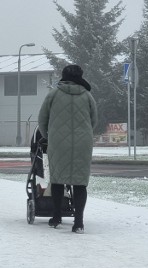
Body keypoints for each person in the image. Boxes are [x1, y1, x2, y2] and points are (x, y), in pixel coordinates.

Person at [38, 64, 98, 233]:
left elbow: (42, 119)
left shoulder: (53, 94)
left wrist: (48, 136)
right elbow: (94, 120)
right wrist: (84, 132)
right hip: (82, 143)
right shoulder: (87, 96)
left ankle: (56, 217)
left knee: (57, 180)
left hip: (58, 142)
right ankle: (78, 223)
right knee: (80, 183)